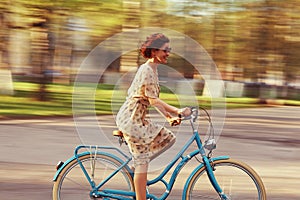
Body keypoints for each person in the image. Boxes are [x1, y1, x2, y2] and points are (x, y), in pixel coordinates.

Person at [116, 33, 190, 200]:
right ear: (155, 51)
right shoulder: (147, 70)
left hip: (138, 118)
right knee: (142, 163)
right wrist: (177, 111)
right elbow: (153, 100)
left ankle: (139, 169)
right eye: (166, 50)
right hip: (131, 120)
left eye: (169, 50)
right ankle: (139, 173)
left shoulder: (152, 70)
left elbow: (153, 100)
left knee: (167, 138)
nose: (168, 53)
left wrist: (168, 117)